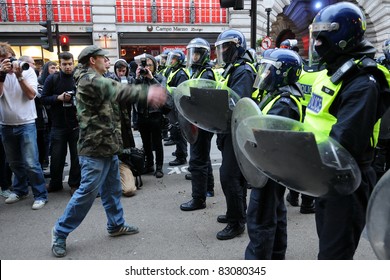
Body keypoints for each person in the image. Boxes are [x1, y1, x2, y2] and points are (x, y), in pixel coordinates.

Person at [51, 45, 167, 258]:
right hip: (94, 149)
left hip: (108, 146)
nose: (108, 62)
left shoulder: (99, 78)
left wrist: (151, 84)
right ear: (92, 60)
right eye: (104, 58)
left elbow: (121, 89)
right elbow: (118, 90)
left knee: (112, 189)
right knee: (87, 193)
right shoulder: (89, 80)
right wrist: (148, 94)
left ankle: (116, 225)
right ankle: (60, 231)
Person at [305, 2, 390, 259]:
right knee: (327, 248)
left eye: (323, 36)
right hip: (324, 174)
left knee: (334, 257)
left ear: (341, 37)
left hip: (345, 181)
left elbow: (345, 142)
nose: (317, 43)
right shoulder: (333, 73)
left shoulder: (363, 80)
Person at [245, 48, 304, 259]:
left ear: (282, 73)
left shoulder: (284, 103)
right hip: (277, 168)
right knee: (276, 213)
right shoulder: (280, 95)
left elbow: (268, 139)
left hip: (271, 168)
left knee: (260, 220)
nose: (264, 74)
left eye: (269, 71)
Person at [213, 29, 257, 240]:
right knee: (235, 176)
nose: (222, 51)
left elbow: (238, 102)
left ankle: (236, 222)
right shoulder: (232, 68)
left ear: (236, 47)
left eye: (226, 47)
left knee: (229, 176)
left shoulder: (244, 71)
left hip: (237, 129)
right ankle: (238, 212)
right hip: (227, 129)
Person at [0, 42, 48, 210]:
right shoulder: (0, 74)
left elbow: (31, 95)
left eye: (7, 59)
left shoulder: (27, 71)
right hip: (5, 124)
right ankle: (20, 190)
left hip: (26, 123)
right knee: (14, 163)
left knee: (31, 163)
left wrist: (19, 76)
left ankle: (40, 194)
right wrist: (1, 75)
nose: (6, 63)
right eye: (2, 61)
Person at [180, 37, 216, 211]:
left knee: (197, 161)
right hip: (199, 120)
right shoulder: (197, 71)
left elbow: (203, 99)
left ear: (203, 55)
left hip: (202, 121)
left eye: (196, 54)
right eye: (191, 54)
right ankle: (208, 188)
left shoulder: (206, 73)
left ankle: (198, 199)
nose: (193, 57)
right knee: (204, 157)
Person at [41, 52, 81, 196]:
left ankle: (75, 184)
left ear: (73, 63)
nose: (68, 67)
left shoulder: (78, 78)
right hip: (58, 124)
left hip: (76, 124)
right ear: (60, 64)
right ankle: (55, 183)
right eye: (64, 64)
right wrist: (58, 98)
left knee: (77, 157)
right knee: (57, 157)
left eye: (70, 63)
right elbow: (43, 98)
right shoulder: (53, 79)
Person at [134, 54, 168, 178]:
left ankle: (159, 167)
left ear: (154, 66)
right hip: (142, 115)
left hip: (156, 115)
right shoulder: (139, 79)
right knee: (146, 143)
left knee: (157, 143)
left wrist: (152, 78)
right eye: (145, 65)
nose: (147, 67)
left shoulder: (160, 77)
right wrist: (137, 77)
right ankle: (149, 165)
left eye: (150, 65)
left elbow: (162, 92)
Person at [165, 50, 189, 166]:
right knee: (175, 130)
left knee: (179, 132)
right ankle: (179, 151)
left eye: (173, 59)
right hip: (172, 105)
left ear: (179, 61)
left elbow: (180, 92)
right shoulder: (174, 71)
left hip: (178, 106)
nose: (171, 61)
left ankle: (181, 156)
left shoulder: (181, 74)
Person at [38, 61, 57, 170]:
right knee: (45, 141)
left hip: (52, 116)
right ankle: (45, 162)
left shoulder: (55, 80)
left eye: (55, 68)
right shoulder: (40, 81)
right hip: (43, 117)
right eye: (52, 68)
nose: (54, 70)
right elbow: (42, 97)